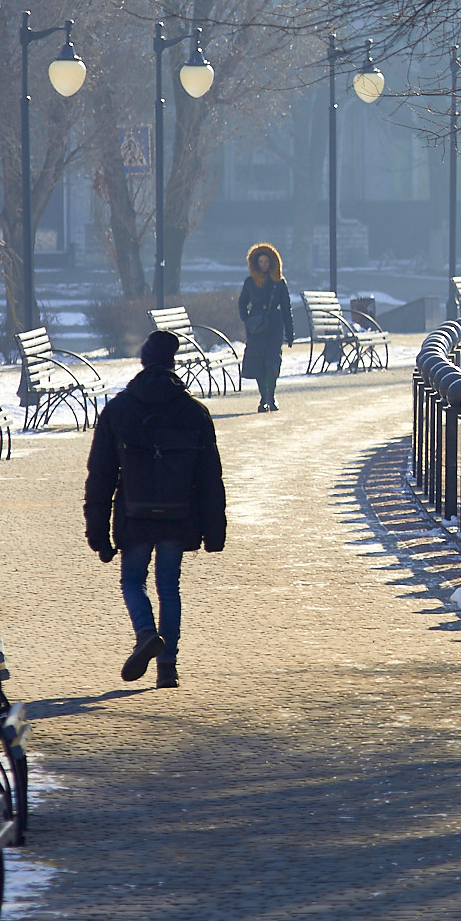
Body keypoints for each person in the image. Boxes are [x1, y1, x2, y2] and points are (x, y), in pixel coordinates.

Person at [83, 330, 227, 688]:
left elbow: (100, 475)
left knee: (133, 580)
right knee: (169, 586)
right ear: (173, 364)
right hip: (179, 515)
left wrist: (98, 533)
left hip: (134, 515)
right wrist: (215, 530)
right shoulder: (195, 412)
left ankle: (146, 633)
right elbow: (210, 477)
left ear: (144, 363)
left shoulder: (117, 410)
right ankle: (168, 667)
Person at [238, 242, 295, 412]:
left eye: (267, 262)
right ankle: (264, 396)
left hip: (275, 325)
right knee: (258, 364)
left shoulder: (279, 282)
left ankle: (271, 395)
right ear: (256, 263)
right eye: (260, 262)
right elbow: (242, 302)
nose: (264, 265)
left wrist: (290, 333)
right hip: (256, 327)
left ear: (272, 262)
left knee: (272, 362)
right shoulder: (250, 282)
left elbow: (286, 307)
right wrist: (247, 320)